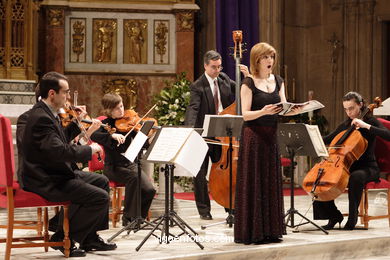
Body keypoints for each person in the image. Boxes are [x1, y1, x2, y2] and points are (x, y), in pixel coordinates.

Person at [21, 72, 117, 257]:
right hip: (45, 178)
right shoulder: (41, 117)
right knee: (100, 197)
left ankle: (89, 238)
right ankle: (61, 238)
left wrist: (76, 124)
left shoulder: (49, 113)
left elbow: (59, 141)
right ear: (52, 93)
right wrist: (90, 150)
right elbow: (60, 152)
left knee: (102, 182)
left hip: (53, 172)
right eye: (65, 92)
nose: (67, 97)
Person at [234, 42, 289, 244]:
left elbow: (284, 105)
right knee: (255, 182)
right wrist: (263, 111)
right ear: (257, 60)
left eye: (272, 57)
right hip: (254, 137)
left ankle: (271, 230)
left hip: (271, 136)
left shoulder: (279, 80)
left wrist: (293, 109)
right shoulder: (248, 83)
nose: (270, 61)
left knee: (270, 181)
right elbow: (245, 115)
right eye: (266, 57)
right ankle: (254, 231)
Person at [185, 50, 248, 220]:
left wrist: (248, 77)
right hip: (204, 134)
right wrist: (190, 129)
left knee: (226, 172)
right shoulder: (198, 86)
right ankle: (204, 211)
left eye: (219, 66)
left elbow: (243, 90)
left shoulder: (225, 79)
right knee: (199, 173)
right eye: (213, 67)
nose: (217, 70)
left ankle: (230, 207)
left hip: (223, 133)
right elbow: (193, 108)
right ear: (205, 66)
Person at [313, 91, 390, 230]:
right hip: (346, 167)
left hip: (368, 168)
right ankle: (333, 215)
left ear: (360, 105)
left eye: (352, 108)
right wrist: (312, 138)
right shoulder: (346, 125)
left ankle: (353, 218)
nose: (349, 112)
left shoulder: (370, 121)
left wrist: (366, 126)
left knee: (356, 177)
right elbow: (329, 138)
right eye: (346, 109)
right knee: (320, 178)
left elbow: (388, 135)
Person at [91, 93, 156, 226]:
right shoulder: (105, 125)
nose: (121, 110)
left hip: (130, 164)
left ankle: (139, 218)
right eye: (117, 108)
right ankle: (128, 218)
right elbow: (94, 135)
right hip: (113, 167)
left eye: (121, 106)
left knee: (150, 190)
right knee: (134, 178)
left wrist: (150, 138)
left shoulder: (128, 122)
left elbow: (142, 144)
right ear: (108, 110)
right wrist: (112, 136)